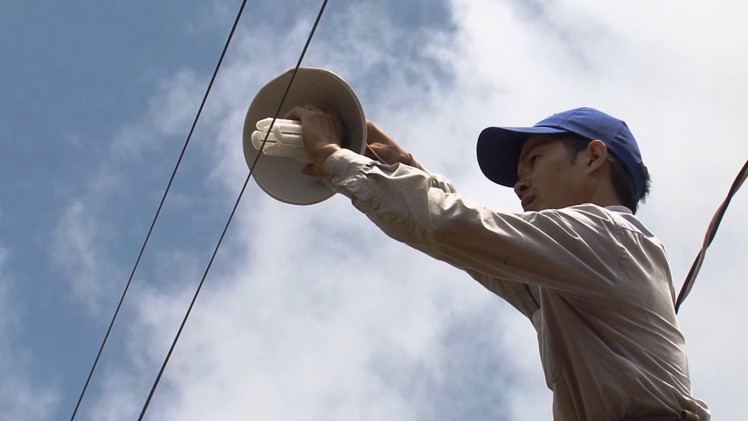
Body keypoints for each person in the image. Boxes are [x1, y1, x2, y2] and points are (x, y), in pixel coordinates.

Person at [285, 105, 710, 421]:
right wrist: (403, 166)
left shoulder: (609, 237)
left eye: (535, 160)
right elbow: (479, 250)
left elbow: (458, 228)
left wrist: (332, 157)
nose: (520, 184)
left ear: (594, 158)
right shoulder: (579, 267)